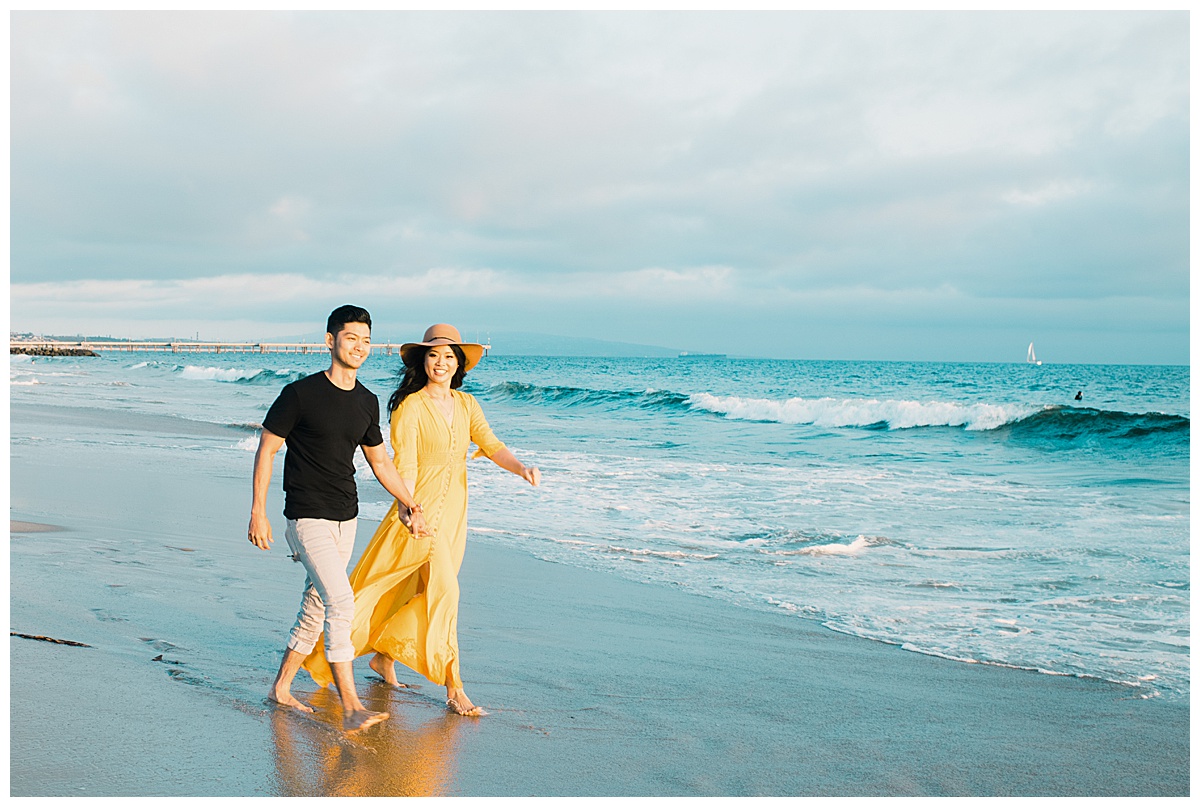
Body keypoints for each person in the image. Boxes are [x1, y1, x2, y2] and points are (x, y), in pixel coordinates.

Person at [302, 323, 540, 717]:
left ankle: (383, 659)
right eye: (434, 355)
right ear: (423, 361)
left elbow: (491, 445)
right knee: (445, 593)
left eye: (449, 357)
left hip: (455, 515)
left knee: (413, 589)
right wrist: (406, 509)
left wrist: (521, 469)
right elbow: (404, 465)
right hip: (421, 514)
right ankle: (455, 687)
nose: (441, 363)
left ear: (458, 364)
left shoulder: (467, 405)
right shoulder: (409, 407)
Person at [247, 305, 429, 734]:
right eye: (351, 338)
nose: (360, 347)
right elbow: (267, 449)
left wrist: (409, 503)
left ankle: (281, 688)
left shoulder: (366, 402)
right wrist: (259, 511)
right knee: (341, 601)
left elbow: (380, 463)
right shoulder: (299, 395)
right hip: (306, 516)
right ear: (330, 341)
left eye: (366, 341)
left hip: (347, 516)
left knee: (316, 603)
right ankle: (351, 705)